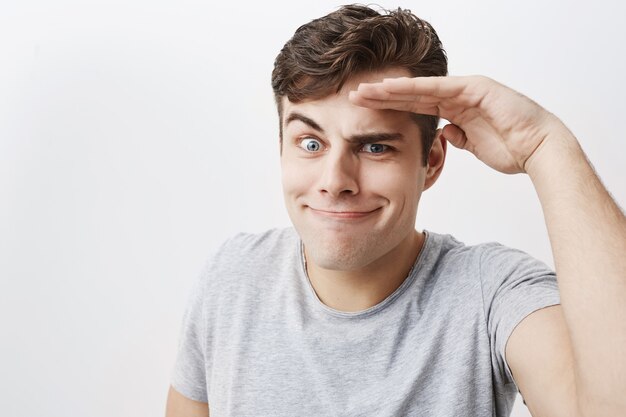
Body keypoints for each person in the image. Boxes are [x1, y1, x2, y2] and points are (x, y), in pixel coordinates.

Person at [165, 5, 626, 417]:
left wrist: (546, 148)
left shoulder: (492, 294)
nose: (334, 180)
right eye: (310, 143)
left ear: (432, 162)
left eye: (374, 146)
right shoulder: (232, 277)